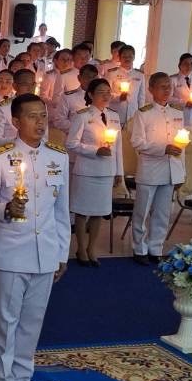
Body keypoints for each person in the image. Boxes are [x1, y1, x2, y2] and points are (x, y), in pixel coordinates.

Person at [0, 92, 69, 381]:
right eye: (32, 116)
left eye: (43, 116)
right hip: (11, 253)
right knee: (6, 322)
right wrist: (4, 209)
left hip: (45, 254)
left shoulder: (58, 157)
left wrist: (62, 253)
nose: (40, 122)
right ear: (16, 122)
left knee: (32, 323)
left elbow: (61, 210)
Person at [128, 73, 187, 264]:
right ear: (151, 89)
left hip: (170, 169)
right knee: (142, 211)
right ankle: (140, 248)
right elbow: (137, 142)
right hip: (150, 169)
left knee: (162, 213)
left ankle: (156, 248)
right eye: (162, 86)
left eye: (169, 86)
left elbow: (182, 145)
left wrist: (182, 172)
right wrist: (162, 148)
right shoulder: (143, 113)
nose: (167, 90)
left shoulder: (177, 112)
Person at [67, 78, 122, 268]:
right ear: (90, 95)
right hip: (87, 171)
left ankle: (92, 248)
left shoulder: (114, 116)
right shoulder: (82, 116)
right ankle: (81, 248)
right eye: (101, 92)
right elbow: (71, 143)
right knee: (82, 212)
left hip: (106, 171)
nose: (106, 96)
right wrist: (94, 150)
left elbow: (118, 148)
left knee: (100, 212)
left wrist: (119, 172)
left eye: (108, 92)